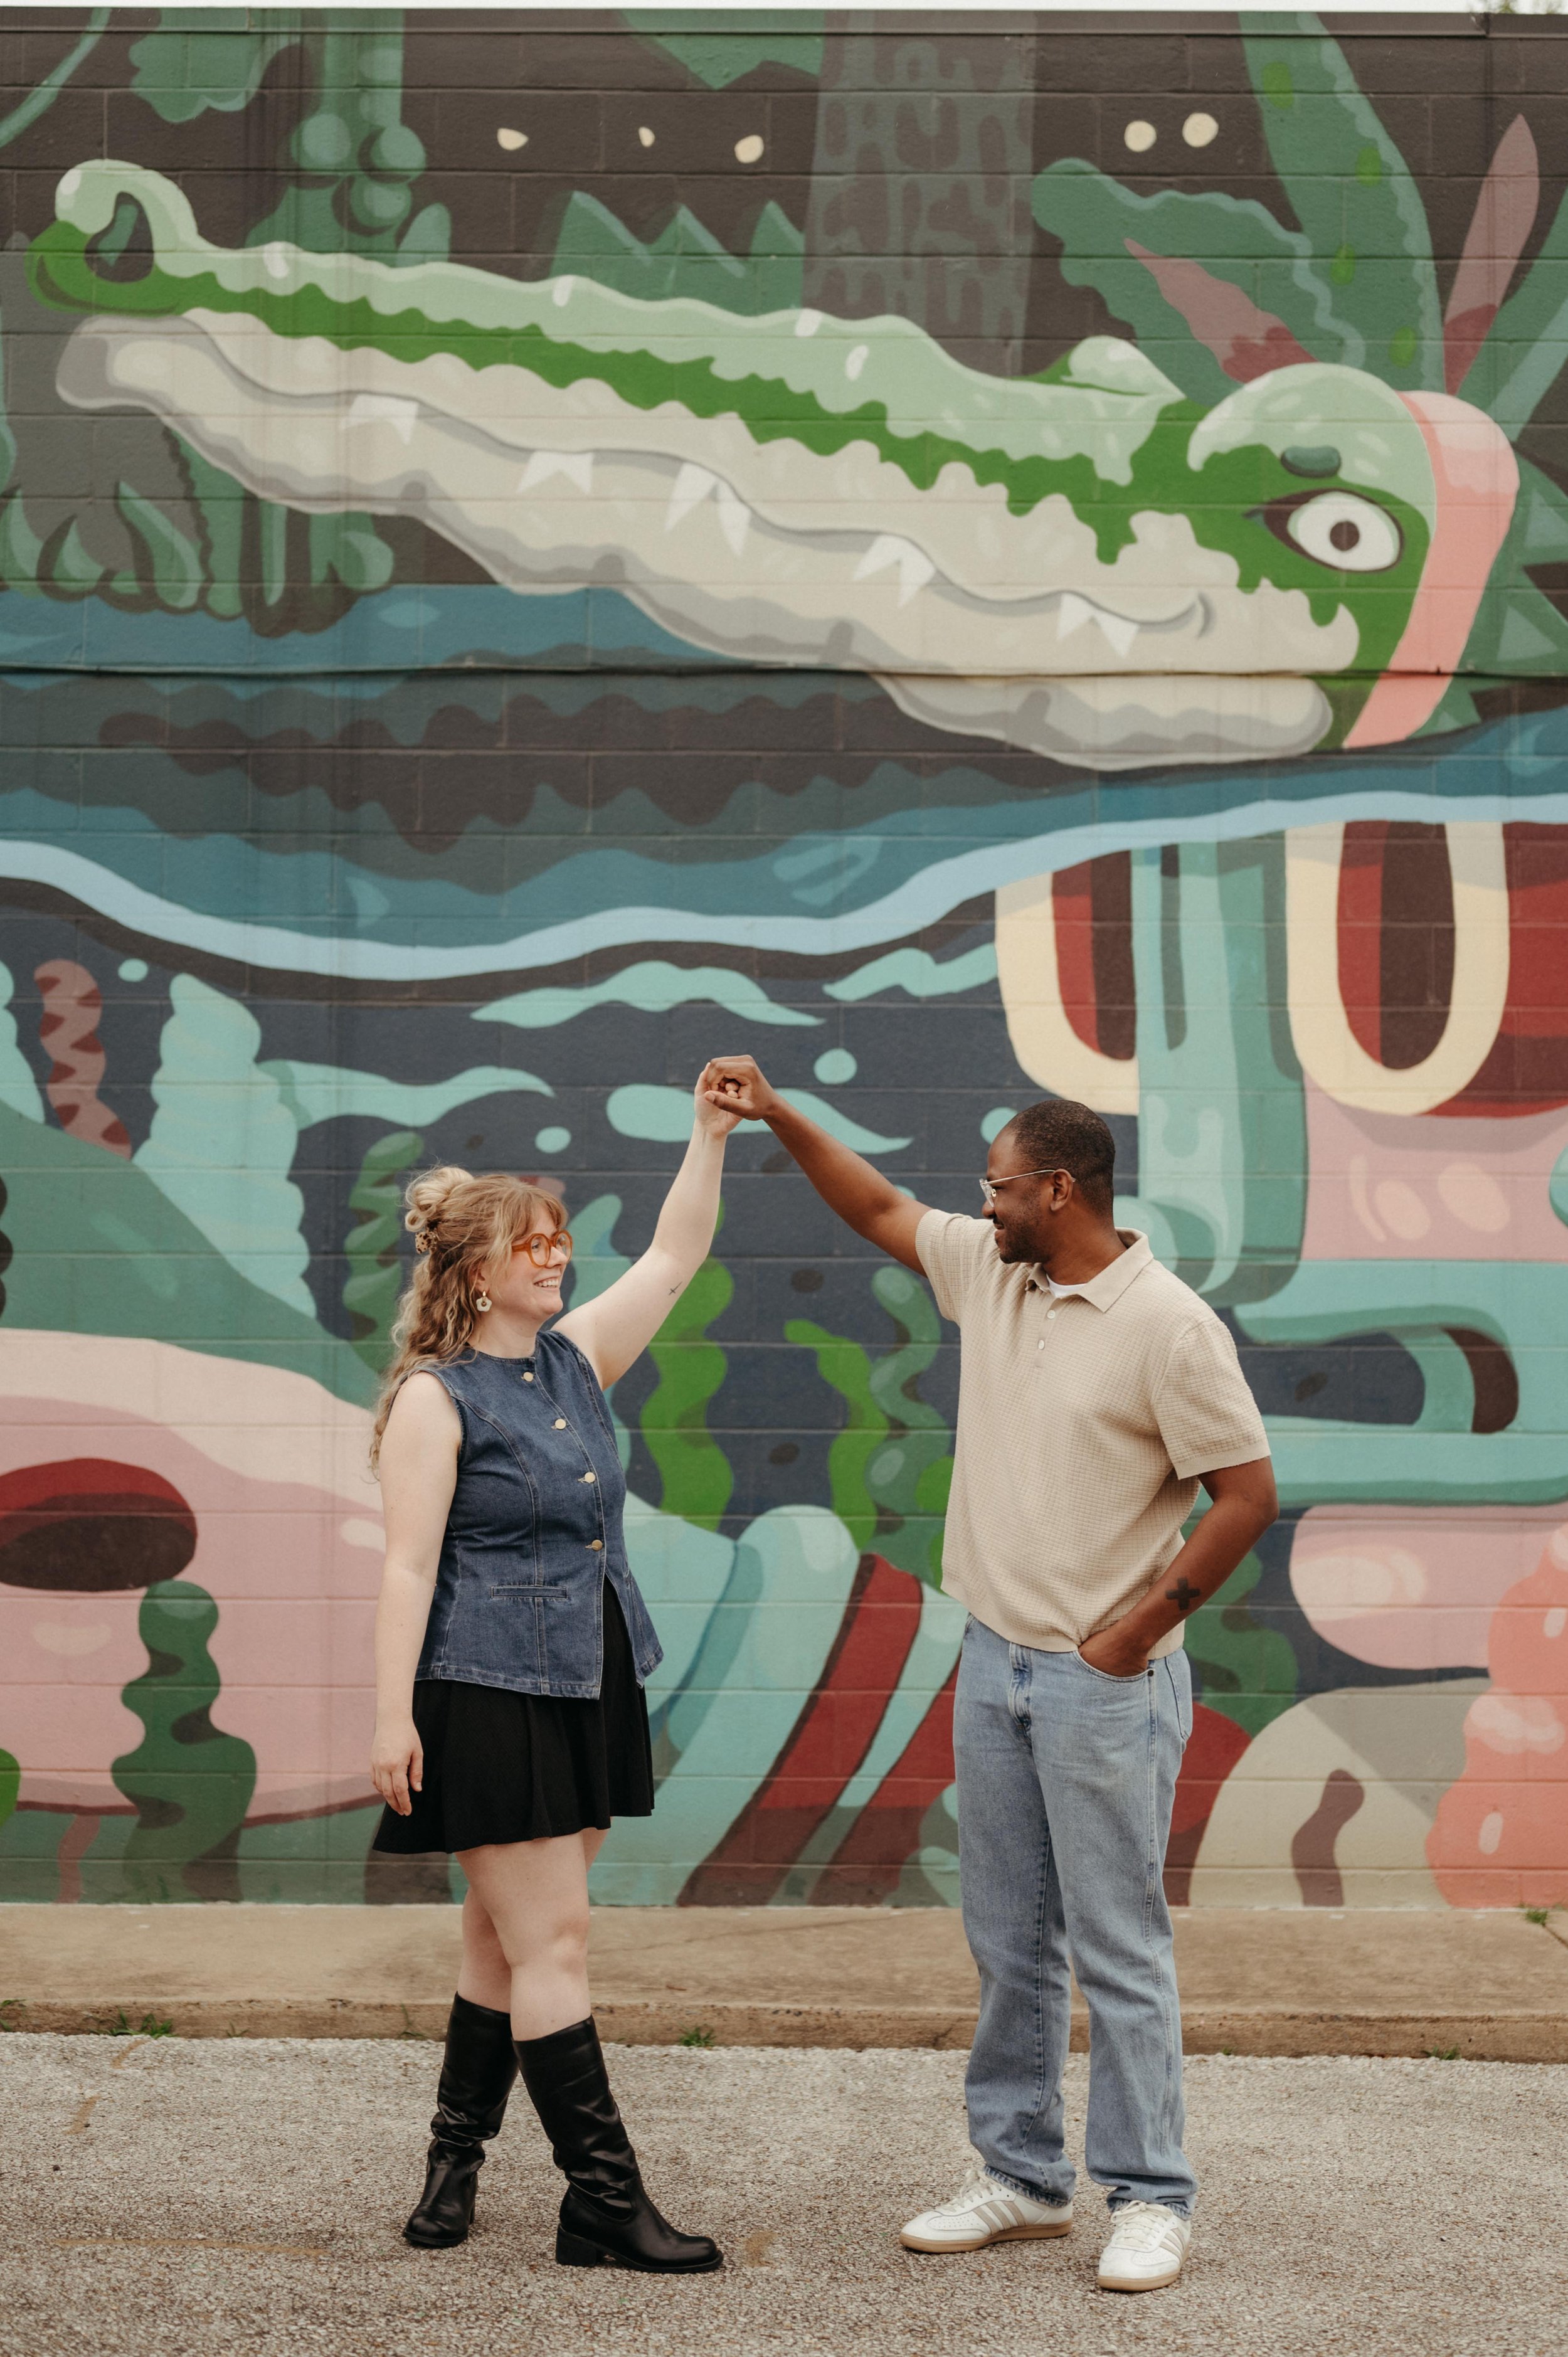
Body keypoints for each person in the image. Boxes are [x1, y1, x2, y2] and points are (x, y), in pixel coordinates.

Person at [699, 1056, 1276, 2294]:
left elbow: (1244, 1495)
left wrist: (1141, 1623)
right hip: (994, 1658)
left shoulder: (1166, 1324)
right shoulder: (993, 1273)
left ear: (1057, 1191)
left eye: (1000, 1187)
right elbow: (870, 1207)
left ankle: (1149, 2195)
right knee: (1009, 1941)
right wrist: (776, 1112)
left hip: (1102, 1682)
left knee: (1116, 1941)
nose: (981, 1204)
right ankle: (1020, 2178)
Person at [368, 1073, 740, 2273]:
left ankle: (454, 2160)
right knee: (556, 1944)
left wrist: (707, 1135)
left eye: (562, 1242)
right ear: (477, 1270)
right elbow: (407, 1567)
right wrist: (389, 1716)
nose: (558, 1259)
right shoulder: (437, 1401)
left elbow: (677, 1255)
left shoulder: (573, 1363)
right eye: (534, 1245)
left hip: (588, 1675)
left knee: (501, 1933)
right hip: (483, 1689)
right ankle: (603, 2203)